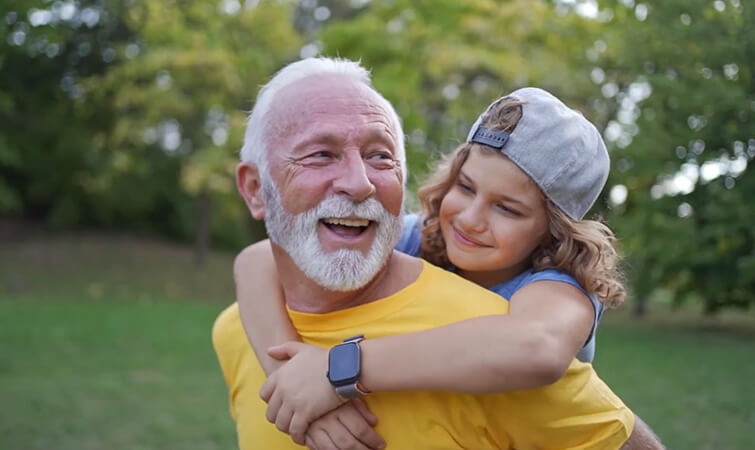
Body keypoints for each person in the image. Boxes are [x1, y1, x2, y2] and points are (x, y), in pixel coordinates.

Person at [213, 56, 663, 449]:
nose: (469, 218)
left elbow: (538, 348)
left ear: (554, 233)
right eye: (464, 187)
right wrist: (289, 381)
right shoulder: (422, 239)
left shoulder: (558, 287)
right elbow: (256, 259)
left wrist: (339, 370)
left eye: (507, 209)